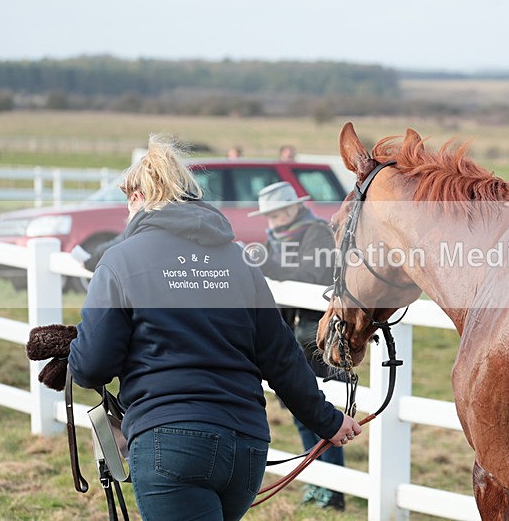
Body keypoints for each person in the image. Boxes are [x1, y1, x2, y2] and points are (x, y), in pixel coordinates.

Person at [67, 136, 360, 521]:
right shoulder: (239, 261)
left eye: (128, 198)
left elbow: (92, 367)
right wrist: (328, 419)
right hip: (246, 448)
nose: (126, 208)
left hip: (169, 439)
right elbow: (281, 356)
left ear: (141, 196)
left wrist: (72, 348)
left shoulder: (120, 260)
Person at [248, 181, 345, 510]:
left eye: (275, 213)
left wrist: (268, 267)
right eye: (268, 214)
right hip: (294, 334)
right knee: (304, 412)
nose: (271, 219)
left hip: (315, 338)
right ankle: (320, 483)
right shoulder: (277, 238)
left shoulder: (316, 233)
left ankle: (332, 489)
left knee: (319, 412)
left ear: (291, 208)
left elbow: (311, 274)